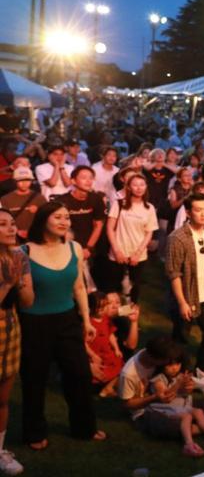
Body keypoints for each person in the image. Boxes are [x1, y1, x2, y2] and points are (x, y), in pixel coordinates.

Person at [20, 202, 106, 450]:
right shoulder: (24, 251)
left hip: (67, 319)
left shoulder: (75, 248)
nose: (64, 222)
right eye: (57, 217)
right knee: (35, 378)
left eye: (67, 218)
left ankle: (84, 428)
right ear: (44, 219)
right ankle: (34, 432)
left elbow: (78, 286)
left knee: (79, 374)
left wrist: (87, 320)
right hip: (34, 322)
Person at [119, 336, 204, 450]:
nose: (170, 365)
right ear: (155, 358)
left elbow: (175, 389)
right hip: (146, 412)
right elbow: (127, 404)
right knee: (173, 428)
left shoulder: (158, 357)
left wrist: (186, 387)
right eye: (167, 362)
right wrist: (154, 397)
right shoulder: (129, 374)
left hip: (174, 402)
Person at [166, 193, 204, 374]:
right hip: (186, 295)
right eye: (198, 210)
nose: (203, 214)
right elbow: (174, 273)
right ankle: (175, 372)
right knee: (181, 338)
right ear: (189, 213)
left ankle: (201, 370)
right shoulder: (178, 238)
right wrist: (182, 302)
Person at [0, 209, 33, 474]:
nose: (11, 228)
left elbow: (28, 301)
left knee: (3, 396)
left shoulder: (20, 257)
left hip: (10, 328)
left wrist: (22, 285)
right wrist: (8, 284)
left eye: (12, 224)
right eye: (2, 224)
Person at [105, 174, 158, 303]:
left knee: (134, 287)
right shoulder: (119, 204)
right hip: (118, 253)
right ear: (128, 187)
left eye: (142, 184)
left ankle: (130, 316)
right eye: (135, 185)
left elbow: (149, 232)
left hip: (138, 255)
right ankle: (115, 317)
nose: (139, 188)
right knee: (115, 287)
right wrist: (117, 251)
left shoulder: (149, 208)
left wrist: (138, 253)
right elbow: (110, 228)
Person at [85, 292, 125, 398]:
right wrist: (92, 355)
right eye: (99, 307)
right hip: (96, 353)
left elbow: (111, 334)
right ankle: (101, 387)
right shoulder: (88, 323)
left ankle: (109, 387)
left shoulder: (106, 320)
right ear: (92, 308)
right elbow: (83, 342)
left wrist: (116, 349)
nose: (103, 310)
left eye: (104, 306)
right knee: (99, 372)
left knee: (119, 365)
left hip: (107, 351)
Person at [0, 168, 46, 242]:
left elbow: (46, 218)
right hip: (14, 238)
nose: (24, 183)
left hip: (35, 237)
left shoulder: (39, 198)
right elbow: (2, 221)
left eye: (27, 180)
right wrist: (16, 231)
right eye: (21, 180)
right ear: (14, 181)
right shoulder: (5, 199)